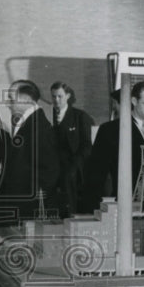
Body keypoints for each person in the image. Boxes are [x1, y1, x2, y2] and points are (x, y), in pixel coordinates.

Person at [82, 80, 144, 212]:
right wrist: (92, 211)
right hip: (123, 207)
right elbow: (96, 175)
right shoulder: (110, 130)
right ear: (133, 101)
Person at [1, 79, 62, 218]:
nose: (7, 103)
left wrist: (29, 203)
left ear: (26, 99)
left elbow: (49, 171)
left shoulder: (39, 128)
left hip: (28, 208)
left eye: (11, 98)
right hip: (22, 203)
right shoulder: (30, 123)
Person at [50, 81, 93, 215]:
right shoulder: (47, 115)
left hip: (73, 167)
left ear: (68, 96)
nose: (56, 100)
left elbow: (86, 146)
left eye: (60, 96)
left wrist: (75, 166)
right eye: (53, 97)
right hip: (53, 165)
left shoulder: (80, 116)